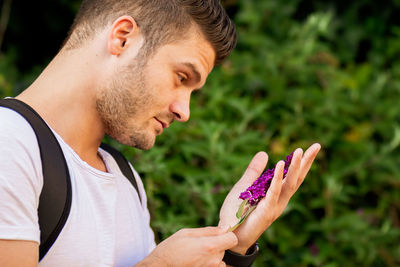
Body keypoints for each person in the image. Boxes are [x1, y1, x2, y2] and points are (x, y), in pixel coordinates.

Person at [0, 0, 321, 266]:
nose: (185, 111)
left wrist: (233, 246)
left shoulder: (125, 180)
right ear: (122, 37)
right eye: (182, 77)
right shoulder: (10, 144)